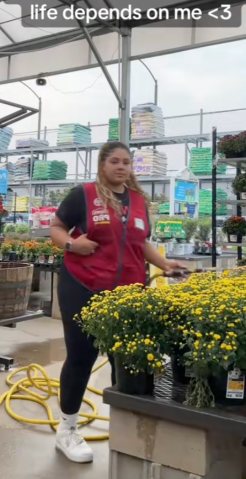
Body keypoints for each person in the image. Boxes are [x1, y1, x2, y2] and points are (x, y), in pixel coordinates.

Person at [48, 141, 189, 463]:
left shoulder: (138, 200)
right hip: (83, 286)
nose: (121, 166)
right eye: (115, 161)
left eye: (126, 162)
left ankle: (126, 429)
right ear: (102, 164)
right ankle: (67, 430)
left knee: (126, 360)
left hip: (128, 292)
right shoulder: (83, 195)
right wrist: (72, 244)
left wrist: (165, 264)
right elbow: (56, 227)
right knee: (81, 357)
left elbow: (141, 244)